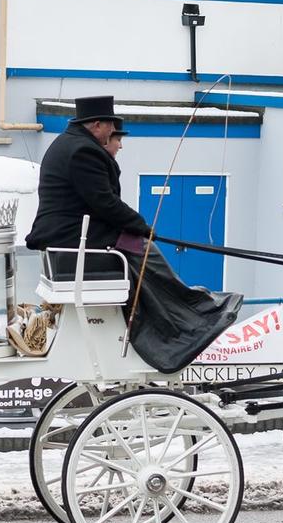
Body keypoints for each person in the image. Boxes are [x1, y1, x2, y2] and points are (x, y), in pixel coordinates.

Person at [25, 95, 242, 372]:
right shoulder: (83, 151)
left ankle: (186, 310)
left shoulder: (68, 143)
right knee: (141, 248)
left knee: (137, 247)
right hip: (72, 237)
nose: (114, 135)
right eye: (111, 127)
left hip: (70, 234)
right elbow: (104, 202)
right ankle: (187, 315)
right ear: (98, 125)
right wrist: (142, 226)